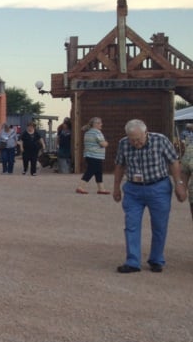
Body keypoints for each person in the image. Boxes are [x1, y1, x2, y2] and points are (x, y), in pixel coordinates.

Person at [112, 119, 187, 273]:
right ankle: (133, 261)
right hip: (133, 189)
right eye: (132, 140)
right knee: (131, 225)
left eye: (138, 139)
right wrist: (116, 188)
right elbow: (120, 165)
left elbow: (173, 161)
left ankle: (156, 259)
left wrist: (179, 183)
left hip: (158, 187)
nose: (135, 143)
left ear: (146, 133)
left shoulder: (161, 140)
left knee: (159, 225)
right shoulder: (123, 143)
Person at [76, 117, 109, 195]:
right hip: (95, 155)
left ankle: (101, 188)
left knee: (98, 172)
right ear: (95, 124)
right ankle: (81, 187)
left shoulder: (88, 132)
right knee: (90, 171)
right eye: (100, 123)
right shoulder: (97, 132)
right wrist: (106, 143)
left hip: (89, 155)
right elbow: (103, 144)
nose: (101, 124)